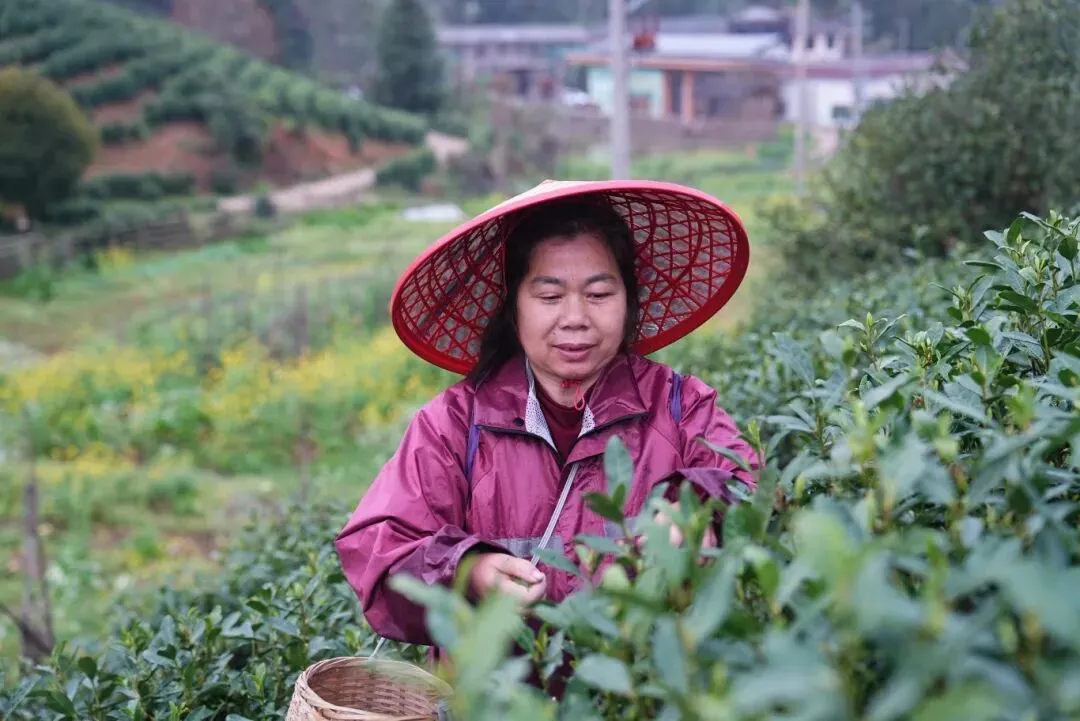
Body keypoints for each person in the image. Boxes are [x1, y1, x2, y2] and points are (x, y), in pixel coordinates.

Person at [334, 179, 760, 679]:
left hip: (642, 695)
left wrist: (695, 510)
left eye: (599, 293)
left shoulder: (680, 406)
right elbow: (380, 546)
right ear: (514, 307)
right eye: (549, 295)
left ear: (629, 301)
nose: (575, 318)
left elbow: (743, 481)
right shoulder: (453, 425)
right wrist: (471, 570)